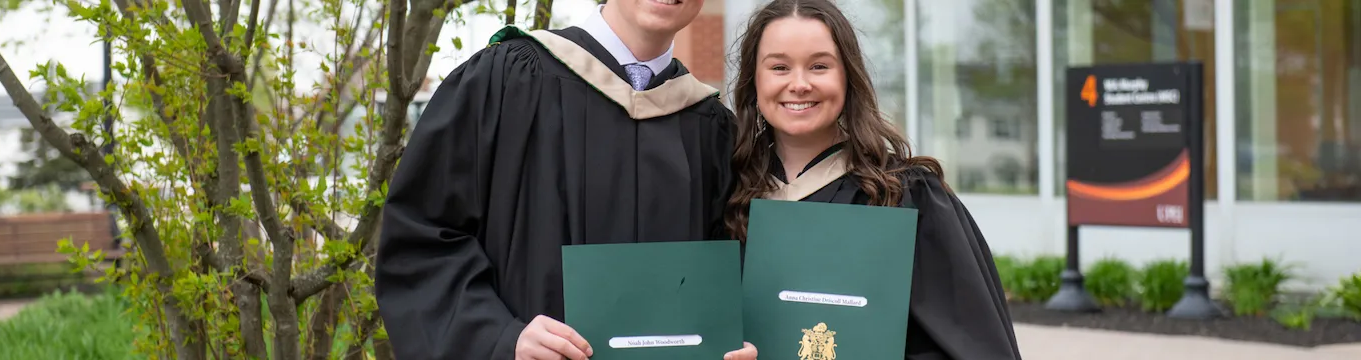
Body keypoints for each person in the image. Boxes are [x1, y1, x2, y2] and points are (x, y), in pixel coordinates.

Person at [374, 0, 757, 359]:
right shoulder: (507, 79)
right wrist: (499, 337)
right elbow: (421, 237)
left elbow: (735, 282)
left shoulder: (713, 131)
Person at [724, 0, 1022, 359]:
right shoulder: (729, 193)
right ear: (754, 81)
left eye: (819, 66)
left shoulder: (907, 196)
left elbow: (974, 347)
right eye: (779, 67)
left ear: (848, 77)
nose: (799, 84)